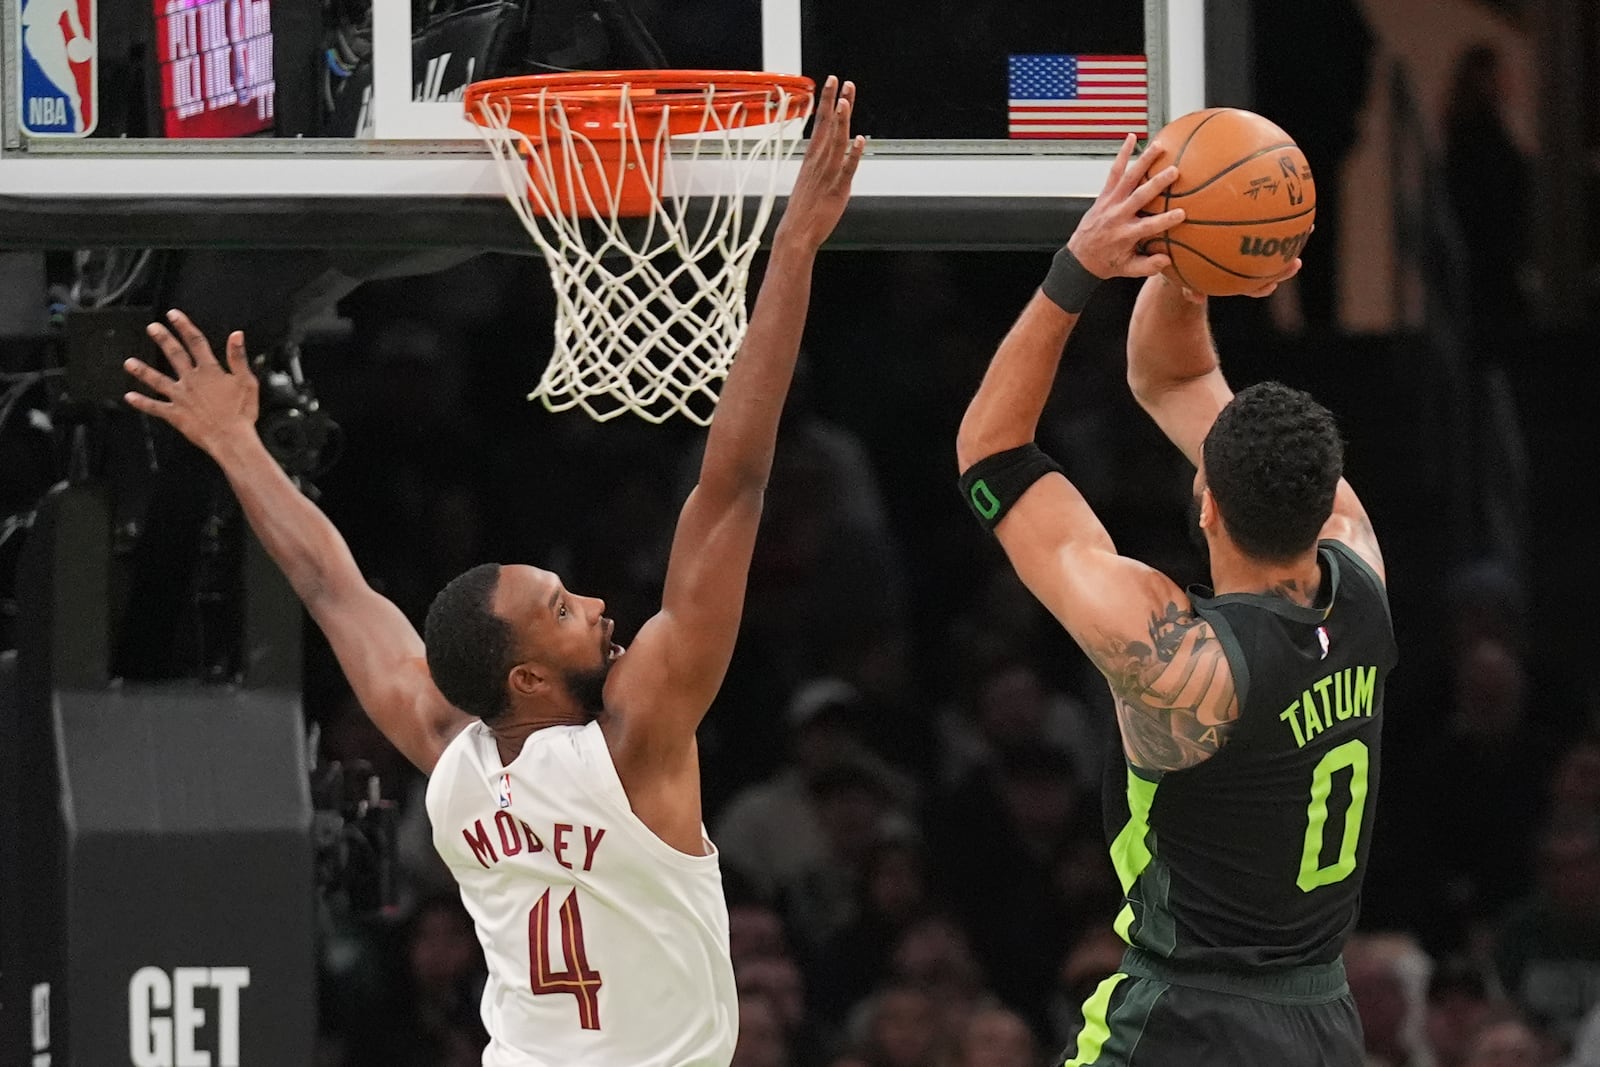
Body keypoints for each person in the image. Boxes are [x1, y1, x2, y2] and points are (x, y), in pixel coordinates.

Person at [121, 76, 864, 1067]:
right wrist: (794, 249)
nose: (597, 603)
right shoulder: (636, 738)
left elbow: (336, 588)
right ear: (523, 674)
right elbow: (730, 485)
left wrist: (239, 447)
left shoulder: (453, 758)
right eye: (561, 608)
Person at [954, 134, 1398, 1066]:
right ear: (1326, 502)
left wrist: (1078, 267)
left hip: (1188, 1022)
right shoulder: (1360, 566)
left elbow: (991, 450)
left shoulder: (1174, 654)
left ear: (1203, 498)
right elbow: (1179, 378)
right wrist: (1189, 270)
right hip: (1323, 1019)